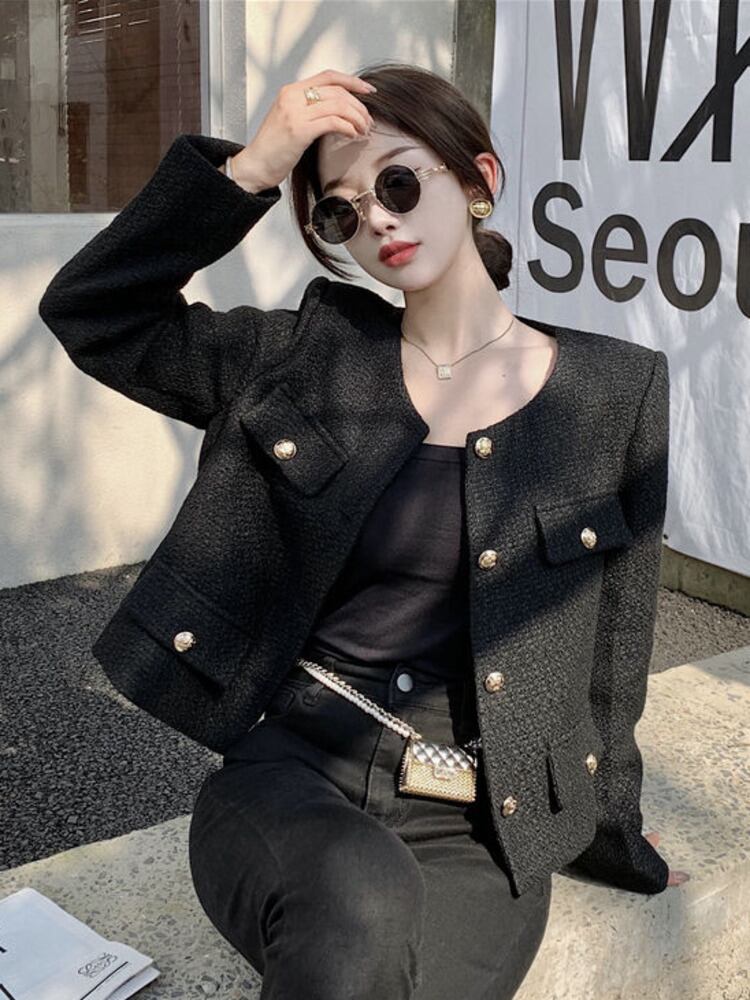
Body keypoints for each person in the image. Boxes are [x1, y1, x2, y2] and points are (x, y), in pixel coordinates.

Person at [39, 62, 689, 1000]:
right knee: (362, 899)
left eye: (398, 183)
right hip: (293, 774)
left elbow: (615, 655)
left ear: (477, 180)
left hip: (482, 809)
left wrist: (610, 831)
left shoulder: (614, 392)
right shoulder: (303, 356)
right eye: (342, 211)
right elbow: (94, 312)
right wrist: (250, 172)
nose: (376, 219)